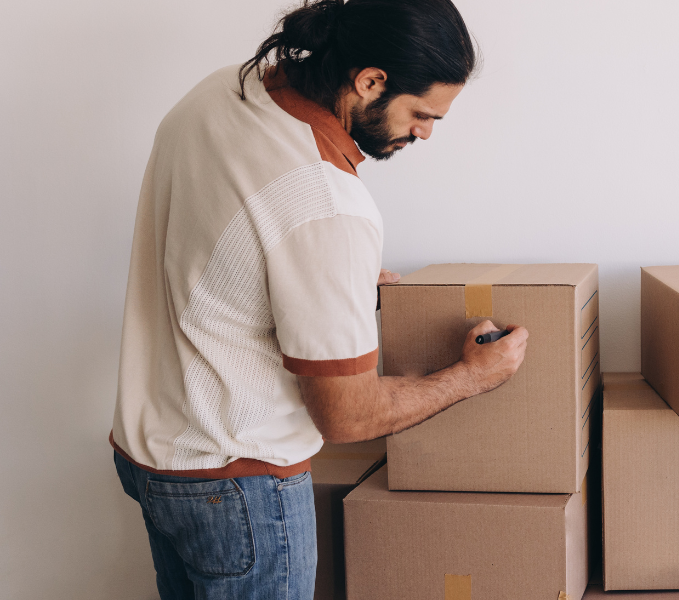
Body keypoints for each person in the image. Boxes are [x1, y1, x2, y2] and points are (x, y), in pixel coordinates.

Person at [109, 1, 528, 598]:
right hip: (239, 486)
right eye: (422, 113)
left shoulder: (221, 92)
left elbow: (226, 248)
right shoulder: (326, 201)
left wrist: (326, 285)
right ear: (370, 81)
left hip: (151, 455)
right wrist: (471, 377)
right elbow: (348, 416)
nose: (425, 133)